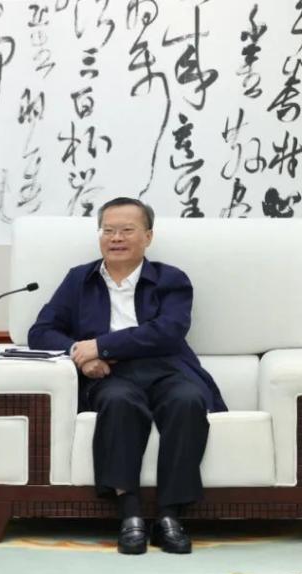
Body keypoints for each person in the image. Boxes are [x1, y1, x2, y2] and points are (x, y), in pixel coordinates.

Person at [27, 197, 226, 554]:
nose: (116, 238)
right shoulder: (79, 279)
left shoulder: (171, 279)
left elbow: (168, 331)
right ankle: (129, 513)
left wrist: (101, 346)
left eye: (126, 230)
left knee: (187, 401)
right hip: (110, 377)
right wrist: (80, 356)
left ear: (148, 236)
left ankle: (170, 516)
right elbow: (41, 332)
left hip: (167, 369)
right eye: (108, 230)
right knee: (119, 403)